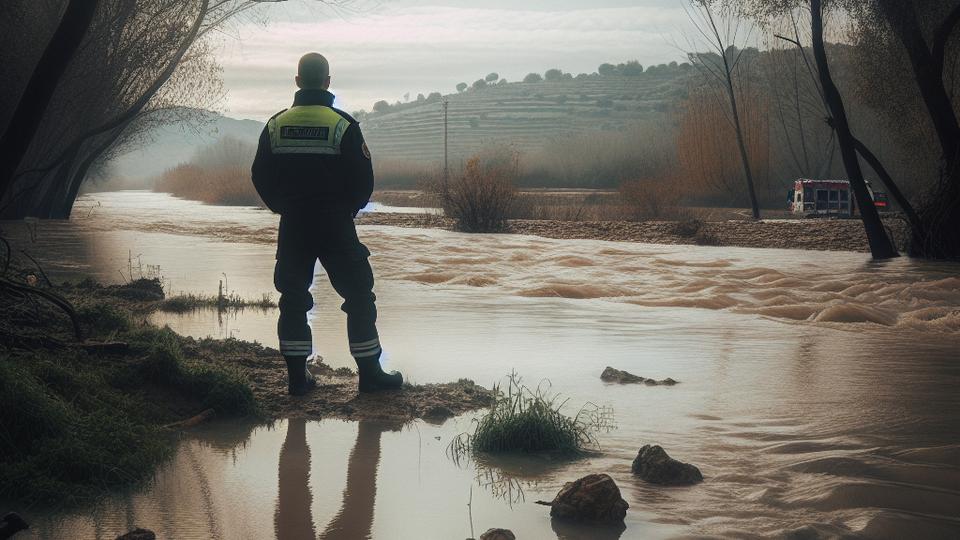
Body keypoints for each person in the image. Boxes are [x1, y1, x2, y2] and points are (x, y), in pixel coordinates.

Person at [251, 52, 402, 396]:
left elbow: (259, 175)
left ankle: (296, 379)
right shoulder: (343, 125)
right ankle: (370, 376)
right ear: (328, 82)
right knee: (359, 295)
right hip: (335, 223)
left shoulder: (275, 125)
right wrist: (347, 210)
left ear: (298, 82)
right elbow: (364, 181)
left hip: (294, 224)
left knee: (292, 298)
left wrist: (282, 207)